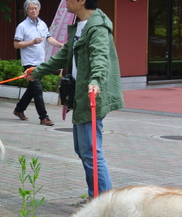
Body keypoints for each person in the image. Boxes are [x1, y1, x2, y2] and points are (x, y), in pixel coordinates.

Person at [25, 0, 123, 201]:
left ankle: (104, 202)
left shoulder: (97, 27)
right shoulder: (81, 26)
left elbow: (100, 57)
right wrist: (37, 72)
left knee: (90, 151)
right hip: (80, 95)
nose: (65, 2)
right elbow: (62, 56)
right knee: (83, 150)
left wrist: (95, 80)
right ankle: (95, 197)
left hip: (92, 95)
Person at [13, 0, 63, 126]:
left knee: (32, 89)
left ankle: (19, 110)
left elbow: (48, 38)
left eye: (35, 8)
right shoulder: (22, 26)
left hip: (40, 62)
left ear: (39, 9)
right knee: (37, 89)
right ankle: (44, 117)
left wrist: (60, 44)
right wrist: (32, 42)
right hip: (29, 63)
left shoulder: (42, 24)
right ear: (26, 10)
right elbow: (16, 44)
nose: (33, 10)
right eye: (30, 8)